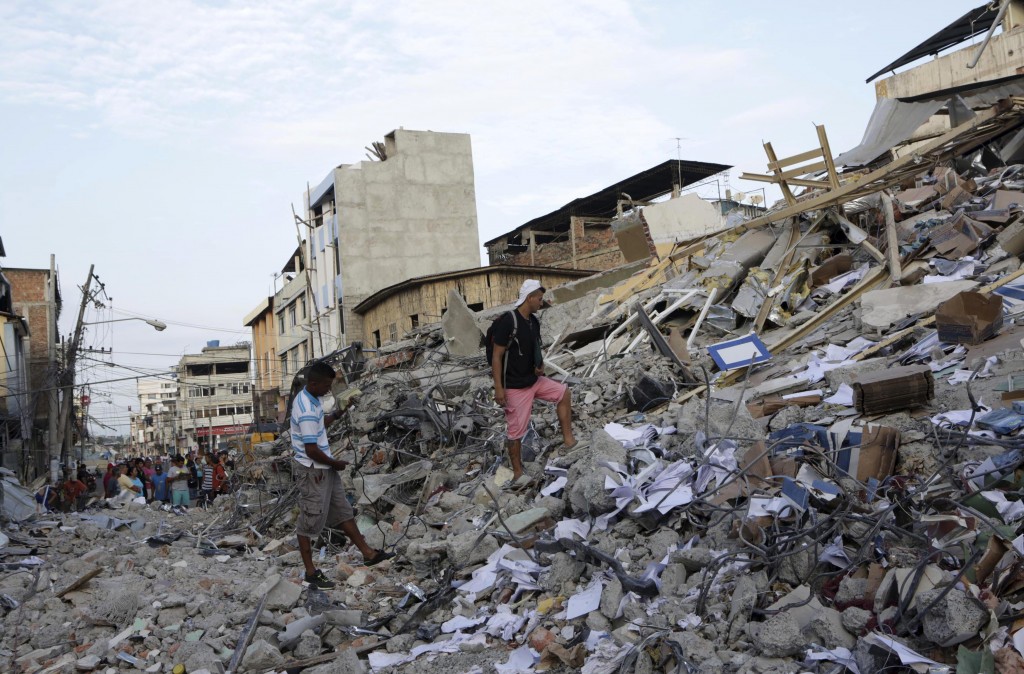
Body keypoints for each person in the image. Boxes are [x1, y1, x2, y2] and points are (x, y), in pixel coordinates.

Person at [291, 360, 393, 589]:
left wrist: (339, 413)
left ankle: (368, 553)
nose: (329, 390)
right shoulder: (306, 408)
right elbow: (311, 449)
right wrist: (335, 463)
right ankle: (310, 572)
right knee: (309, 519)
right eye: (326, 386)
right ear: (314, 383)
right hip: (313, 470)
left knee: (343, 512)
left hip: (323, 467)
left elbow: (319, 426)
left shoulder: (312, 399)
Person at [491, 280, 577, 488]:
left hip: (533, 380)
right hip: (514, 386)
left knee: (563, 392)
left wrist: (538, 367)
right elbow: (497, 356)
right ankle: (518, 473)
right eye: (538, 299)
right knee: (515, 432)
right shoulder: (508, 321)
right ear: (529, 298)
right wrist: (499, 388)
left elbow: (534, 348)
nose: (541, 302)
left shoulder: (533, 321)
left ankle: (569, 441)